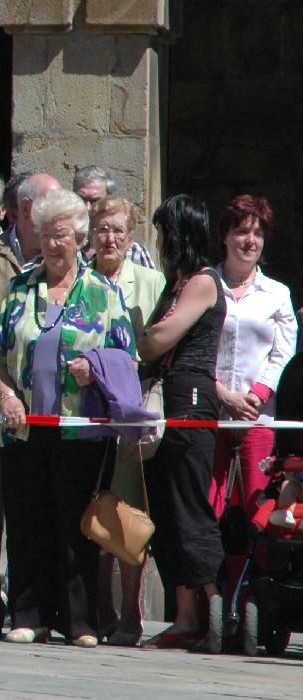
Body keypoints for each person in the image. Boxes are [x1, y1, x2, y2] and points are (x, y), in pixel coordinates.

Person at [0, 188, 134, 648]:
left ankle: (80, 621)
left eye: (62, 235)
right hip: (23, 429)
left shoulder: (102, 293)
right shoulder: (20, 288)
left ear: (79, 238)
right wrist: (6, 396)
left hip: (80, 432)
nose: (53, 244)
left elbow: (127, 357)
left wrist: (95, 369)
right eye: (46, 234)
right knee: (26, 522)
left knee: (76, 527)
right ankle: (28, 615)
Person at [0, 170, 60, 639]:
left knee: (34, 509)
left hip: (45, 407)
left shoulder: (63, 259)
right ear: (25, 210)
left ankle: (33, 607)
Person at [138, 195, 227, 652]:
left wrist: (146, 336)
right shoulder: (174, 285)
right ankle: (186, 616)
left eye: (162, 232)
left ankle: (217, 607)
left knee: (189, 505)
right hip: (166, 398)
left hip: (190, 400)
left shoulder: (203, 282)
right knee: (165, 510)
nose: (158, 241)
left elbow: (157, 339)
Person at [84, 195, 164, 645]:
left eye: (118, 230)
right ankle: (101, 610)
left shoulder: (151, 283)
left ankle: (131, 615)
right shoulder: (81, 280)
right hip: (89, 411)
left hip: (132, 412)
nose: (109, 238)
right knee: (94, 508)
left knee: (129, 512)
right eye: (102, 229)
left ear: (132, 237)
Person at [209, 195, 296, 594]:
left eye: (257, 233)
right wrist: (222, 394)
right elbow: (196, 348)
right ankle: (209, 595)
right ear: (225, 236)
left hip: (257, 416)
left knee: (257, 507)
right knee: (210, 504)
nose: (250, 240)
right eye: (241, 231)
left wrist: (256, 396)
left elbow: (283, 352)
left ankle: (253, 595)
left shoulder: (277, 293)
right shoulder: (205, 285)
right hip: (213, 412)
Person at [73, 166, 155, 267]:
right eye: (81, 199)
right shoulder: (64, 247)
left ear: (110, 202)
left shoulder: (134, 253)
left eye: (95, 201)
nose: (88, 207)